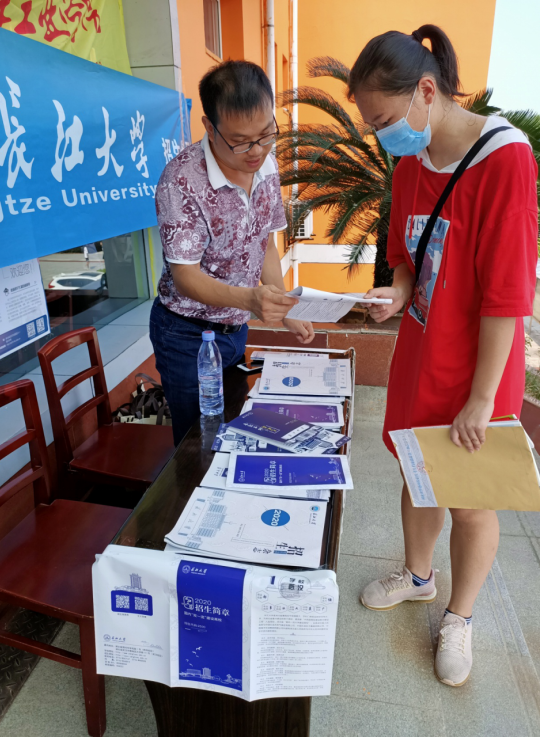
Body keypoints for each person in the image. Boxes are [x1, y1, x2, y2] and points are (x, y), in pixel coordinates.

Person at [348, 25, 537, 687]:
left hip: (477, 369)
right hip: (420, 356)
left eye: (382, 120)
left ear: (425, 92)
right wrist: (395, 294)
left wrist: (482, 400)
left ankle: (460, 616)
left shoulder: (504, 159)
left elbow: (507, 296)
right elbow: (405, 260)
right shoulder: (409, 163)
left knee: (470, 500)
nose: (380, 136)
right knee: (419, 473)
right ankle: (418, 575)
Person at [150, 61, 314, 446]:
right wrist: (252, 301)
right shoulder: (181, 182)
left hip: (236, 331)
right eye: (241, 141)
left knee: (234, 429)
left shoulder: (267, 164)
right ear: (210, 127)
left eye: (266, 134)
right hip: (187, 335)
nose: (257, 151)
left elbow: (264, 241)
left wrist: (283, 306)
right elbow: (185, 276)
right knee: (198, 444)